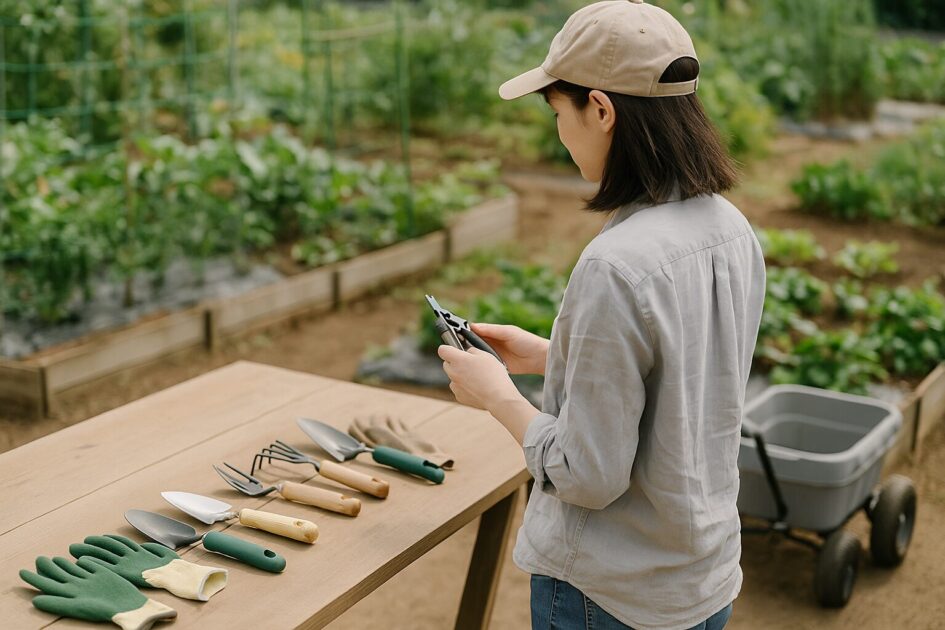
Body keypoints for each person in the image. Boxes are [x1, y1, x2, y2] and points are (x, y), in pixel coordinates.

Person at [436, 1, 766, 629]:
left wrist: (498, 396)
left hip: (610, 596)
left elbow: (587, 476)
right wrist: (553, 355)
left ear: (602, 109)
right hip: (702, 580)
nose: (560, 134)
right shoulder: (730, 228)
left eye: (560, 112)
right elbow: (682, 374)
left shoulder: (616, 263)